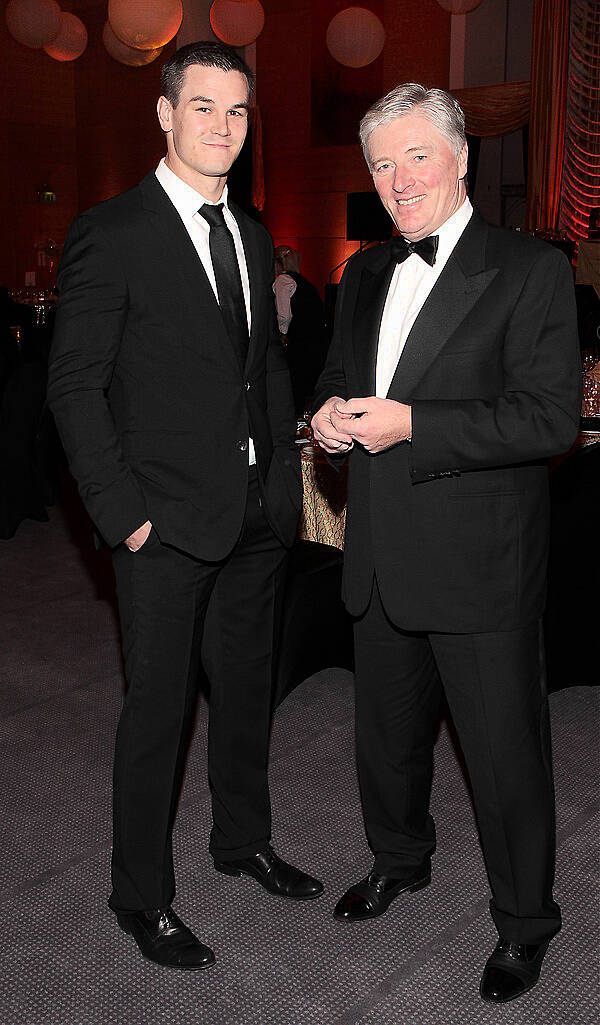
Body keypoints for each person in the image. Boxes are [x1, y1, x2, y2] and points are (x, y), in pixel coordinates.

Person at [48, 40, 323, 973]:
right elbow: (74, 389)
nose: (222, 127)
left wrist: (283, 479)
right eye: (202, 107)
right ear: (164, 115)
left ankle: (241, 840)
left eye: (237, 112)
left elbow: (264, 369)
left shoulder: (249, 232)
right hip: (160, 524)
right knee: (157, 711)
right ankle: (141, 894)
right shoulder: (111, 232)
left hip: (252, 514)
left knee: (245, 697)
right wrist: (122, 514)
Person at [312, 83, 581, 1004]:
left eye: (416, 156)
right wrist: (327, 413)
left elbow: (548, 417)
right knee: (385, 741)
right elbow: (341, 372)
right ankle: (400, 859)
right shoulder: (361, 274)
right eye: (382, 164)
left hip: (480, 564)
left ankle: (524, 921)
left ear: (462, 159)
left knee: (504, 756)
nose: (397, 180)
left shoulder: (530, 269)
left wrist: (415, 424)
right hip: (381, 550)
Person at [273, 245, 329, 414]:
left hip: (297, 346)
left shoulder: (282, 280)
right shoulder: (304, 282)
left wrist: (281, 335)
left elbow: (284, 316)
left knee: (291, 392)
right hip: (315, 345)